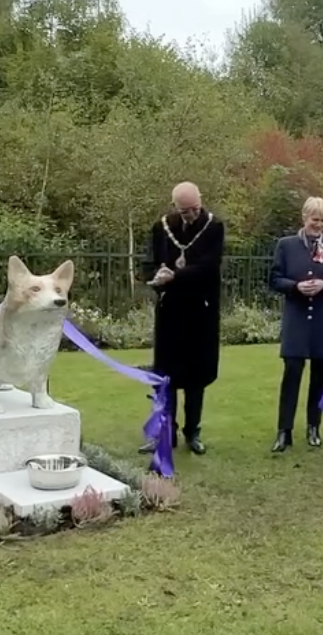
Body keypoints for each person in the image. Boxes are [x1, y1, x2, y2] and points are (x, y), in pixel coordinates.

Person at [139, 181, 225, 456]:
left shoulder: (213, 227)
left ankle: (193, 431)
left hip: (201, 311)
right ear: (175, 206)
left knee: (196, 376)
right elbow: (150, 260)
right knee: (166, 376)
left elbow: (209, 267)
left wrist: (177, 276)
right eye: (185, 211)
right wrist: (157, 275)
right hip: (170, 312)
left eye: (195, 209)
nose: (191, 215)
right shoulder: (162, 227)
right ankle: (165, 432)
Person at [268, 196, 323, 453]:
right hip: (297, 319)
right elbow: (274, 279)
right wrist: (295, 287)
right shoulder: (286, 245)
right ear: (304, 218)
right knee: (292, 373)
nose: (319, 225)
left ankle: (313, 427)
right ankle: (284, 431)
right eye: (315, 220)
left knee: (319, 375)